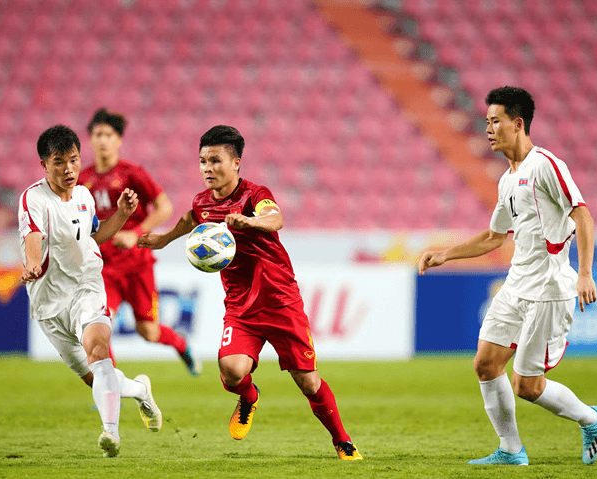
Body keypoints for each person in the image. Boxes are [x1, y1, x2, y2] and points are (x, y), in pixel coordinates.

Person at [138, 125, 362, 460]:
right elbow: (191, 218)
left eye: (215, 160)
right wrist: (163, 238)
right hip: (241, 308)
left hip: (281, 302)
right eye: (202, 161)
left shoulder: (254, 194)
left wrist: (250, 223)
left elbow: (275, 218)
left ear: (236, 162)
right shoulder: (202, 202)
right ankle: (249, 396)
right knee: (231, 371)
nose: (207, 168)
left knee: (309, 383)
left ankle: (342, 442)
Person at [418, 86, 597, 466]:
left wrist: (584, 273)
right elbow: (493, 236)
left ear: (517, 124)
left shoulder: (546, 165)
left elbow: (582, 215)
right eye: (486, 122)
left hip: (548, 291)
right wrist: (445, 254)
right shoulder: (508, 179)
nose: (487, 129)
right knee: (485, 364)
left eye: (495, 121)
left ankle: (593, 418)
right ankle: (510, 450)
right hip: (515, 286)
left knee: (527, 386)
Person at [19, 125, 162, 458]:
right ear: (44, 165)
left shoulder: (83, 196)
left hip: (87, 285)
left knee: (99, 351)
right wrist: (32, 265)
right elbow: (33, 238)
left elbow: (94, 237)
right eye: (58, 162)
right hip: (49, 305)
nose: (68, 169)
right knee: (97, 378)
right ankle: (141, 389)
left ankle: (109, 434)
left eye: (73, 160)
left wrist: (124, 215)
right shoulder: (34, 198)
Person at [79, 108, 201, 376]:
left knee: (148, 331)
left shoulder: (132, 173)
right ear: (89, 139)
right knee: (98, 324)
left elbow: (165, 207)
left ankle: (180, 343)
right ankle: (108, 387)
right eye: (97, 134)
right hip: (102, 267)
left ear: (118, 139)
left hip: (136, 264)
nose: (102, 140)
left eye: (108, 134)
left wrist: (136, 233)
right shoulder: (82, 179)